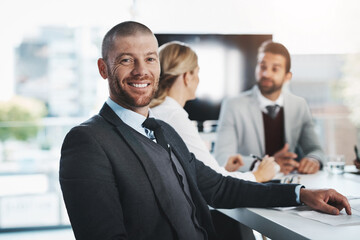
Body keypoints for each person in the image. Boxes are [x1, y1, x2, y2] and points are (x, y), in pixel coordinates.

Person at [59, 21, 351, 240]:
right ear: (103, 68)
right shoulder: (87, 141)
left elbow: (219, 187)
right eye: (126, 60)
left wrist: (300, 194)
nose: (141, 70)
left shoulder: (163, 131)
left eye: (149, 59)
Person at [150, 41, 277, 183]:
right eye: (197, 73)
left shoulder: (157, 111)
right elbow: (215, 180)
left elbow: (203, 172)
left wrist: (225, 169)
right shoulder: (174, 117)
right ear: (187, 77)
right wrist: (258, 175)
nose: (198, 79)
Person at [215, 40, 325, 175]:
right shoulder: (233, 105)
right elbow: (222, 158)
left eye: (275, 69)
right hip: (250, 185)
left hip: (290, 184)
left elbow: (315, 149)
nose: (266, 74)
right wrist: (268, 164)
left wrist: (312, 160)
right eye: (262, 67)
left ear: (287, 77)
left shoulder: (299, 105)